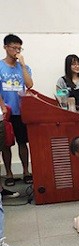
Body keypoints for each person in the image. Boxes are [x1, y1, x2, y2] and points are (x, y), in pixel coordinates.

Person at [0, 34, 34, 186]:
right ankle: (8, 174)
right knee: (6, 144)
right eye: (14, 47)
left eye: (19, 48)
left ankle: (26, 171)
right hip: (5, 111)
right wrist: (2, 107)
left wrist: (23, 64)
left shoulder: (24, 67)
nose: (16, 51)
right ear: (5, 47)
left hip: (22, 111)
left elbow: (29, 84)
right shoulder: (0, 66)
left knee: (22, 142)